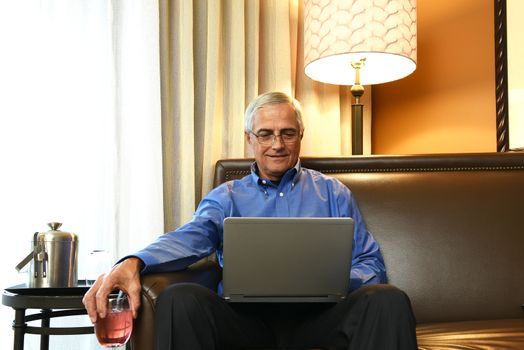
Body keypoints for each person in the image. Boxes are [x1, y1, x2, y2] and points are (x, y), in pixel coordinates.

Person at [83, 91, 418, 350]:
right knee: (179, 298)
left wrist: (329, 281)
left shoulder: (333, 193)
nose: (277, 144)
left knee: (388, 299)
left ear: (300, 135)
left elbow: (371, 263)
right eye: (265, 134)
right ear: (249, 139)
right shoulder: (227, 196)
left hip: (321, 317)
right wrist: (134, 261)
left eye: (287, 133)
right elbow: (191, 237)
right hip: (245, 320)